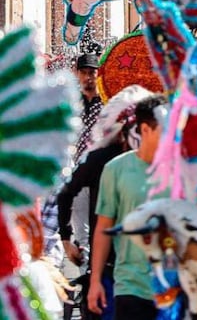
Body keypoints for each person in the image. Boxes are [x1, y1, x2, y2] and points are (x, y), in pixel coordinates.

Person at [59, 87, 155, 320]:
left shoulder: (165, 163)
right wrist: (66, 238)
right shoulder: (104, 161)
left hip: (153, 270)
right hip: (110, 270)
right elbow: (67, 193)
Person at [87, 95, 167, 320]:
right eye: (165, 130)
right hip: (131, 286)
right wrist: (95, 281)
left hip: (175, 288)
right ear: (146, 130)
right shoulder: (116, 169)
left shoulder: (182, 169)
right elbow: (104, 227)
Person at [73, 54, 104, 164]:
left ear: (98, 74)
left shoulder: (106, 102)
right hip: (74, 164)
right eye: (83, 72)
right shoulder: (72, 103)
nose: (87, 77)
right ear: (77, 73)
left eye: (91, 73)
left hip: (99, 163)